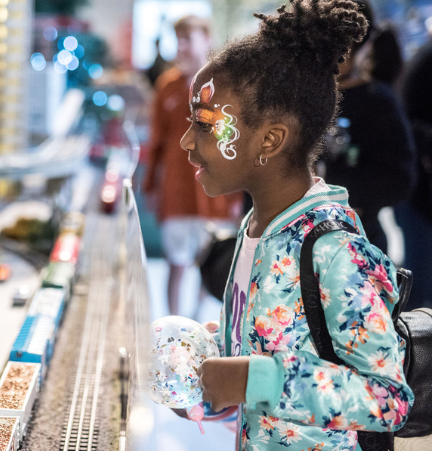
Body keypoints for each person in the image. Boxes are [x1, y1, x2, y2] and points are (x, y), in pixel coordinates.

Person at [176, 1, 412, 449]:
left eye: (204, 124)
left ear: (270, 139)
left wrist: (259, 380)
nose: (187, 140)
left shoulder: (334, 249)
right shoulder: (254, 232)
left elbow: (389, 400)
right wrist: (207, 385)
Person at [142, 15, 242, 316]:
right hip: (177, 191)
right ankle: (171, 326)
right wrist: (150, 186)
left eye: (188, 39)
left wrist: (238, 194)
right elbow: (155, 143)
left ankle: (198, 321)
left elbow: (233, 143)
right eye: (178, 40)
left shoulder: (225, 86)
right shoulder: (167, 87)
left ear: (206, 39)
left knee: (212, 261)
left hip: (216, 194)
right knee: (176, 263)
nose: (182, 47)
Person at [321, 0, 415, 254]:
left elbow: (398, 180)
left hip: (357, 246)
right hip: (289, 250)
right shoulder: (295, 97)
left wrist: (324, 183)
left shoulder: (376, 100)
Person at [396, 24, 432, 310]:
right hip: (419, 195)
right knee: (418, 279)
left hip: (417, 192)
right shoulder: (424, 65)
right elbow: (409, 125)